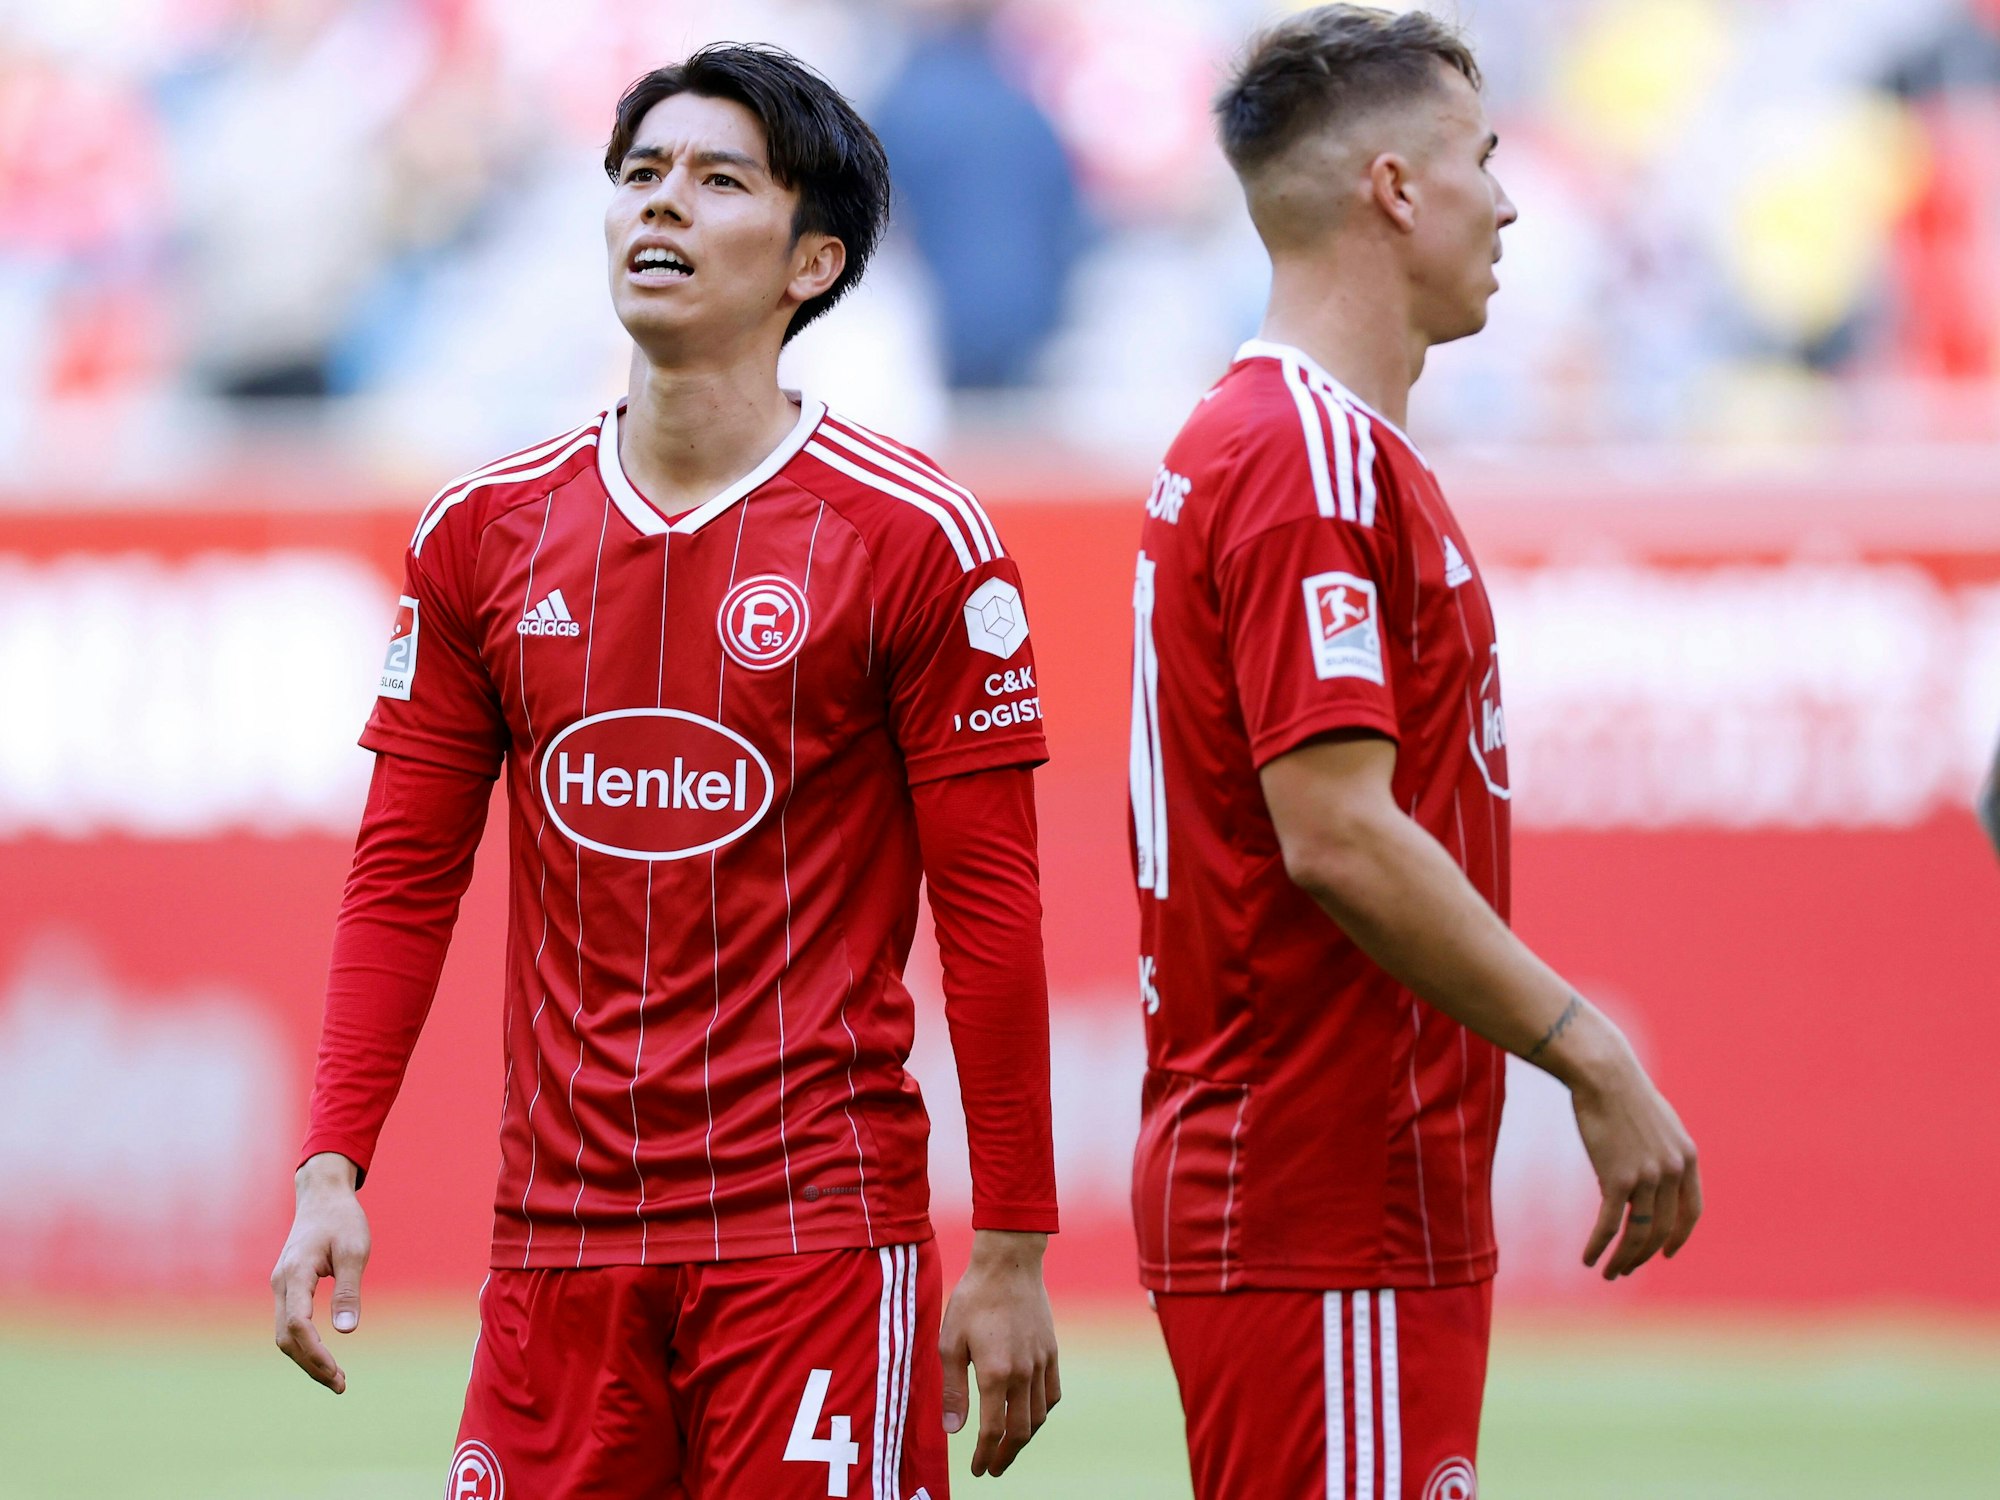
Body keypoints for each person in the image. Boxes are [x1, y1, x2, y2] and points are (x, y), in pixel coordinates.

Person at [269, 43, 1061, 1499]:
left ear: (813, 263)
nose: (662, 204)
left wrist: (1011, 1246)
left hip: (814, 1240)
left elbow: (994, 913)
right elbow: (401, 878)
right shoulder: (483, 533)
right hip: (556, 1250)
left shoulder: (914, 539)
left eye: (718, 180)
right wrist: (332, 1166)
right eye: (640, 173)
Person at [1126, 9, 1702, 1498]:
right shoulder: (1302, 459)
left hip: (1345, 1201)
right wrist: (1587, 1050)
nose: (1507, 205)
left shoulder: (1310, 448)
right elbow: (1337, 832)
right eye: (1483, 161)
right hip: (1326, 1194)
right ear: (1393, 188)